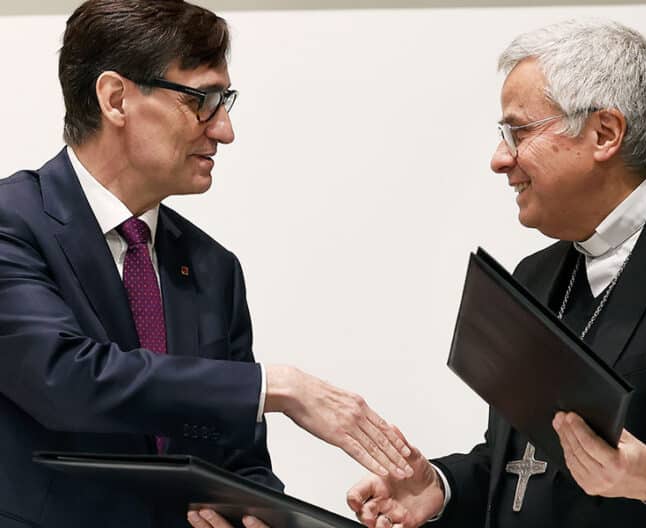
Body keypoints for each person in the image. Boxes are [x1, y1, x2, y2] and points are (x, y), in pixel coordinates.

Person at [0, 1, 414, 527]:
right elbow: (65, 379)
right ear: (116, 98)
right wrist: (276, 387)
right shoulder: (13, 224)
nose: (224, 130)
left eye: (225, 102)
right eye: (204, 100)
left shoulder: (213, 268)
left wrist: (256, 512)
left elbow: (238, 457)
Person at [347, 19, 646, 528]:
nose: (500, 159)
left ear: (604, 133)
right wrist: (439, 488)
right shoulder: (534, 275)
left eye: (517, 131)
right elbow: (522, 465)